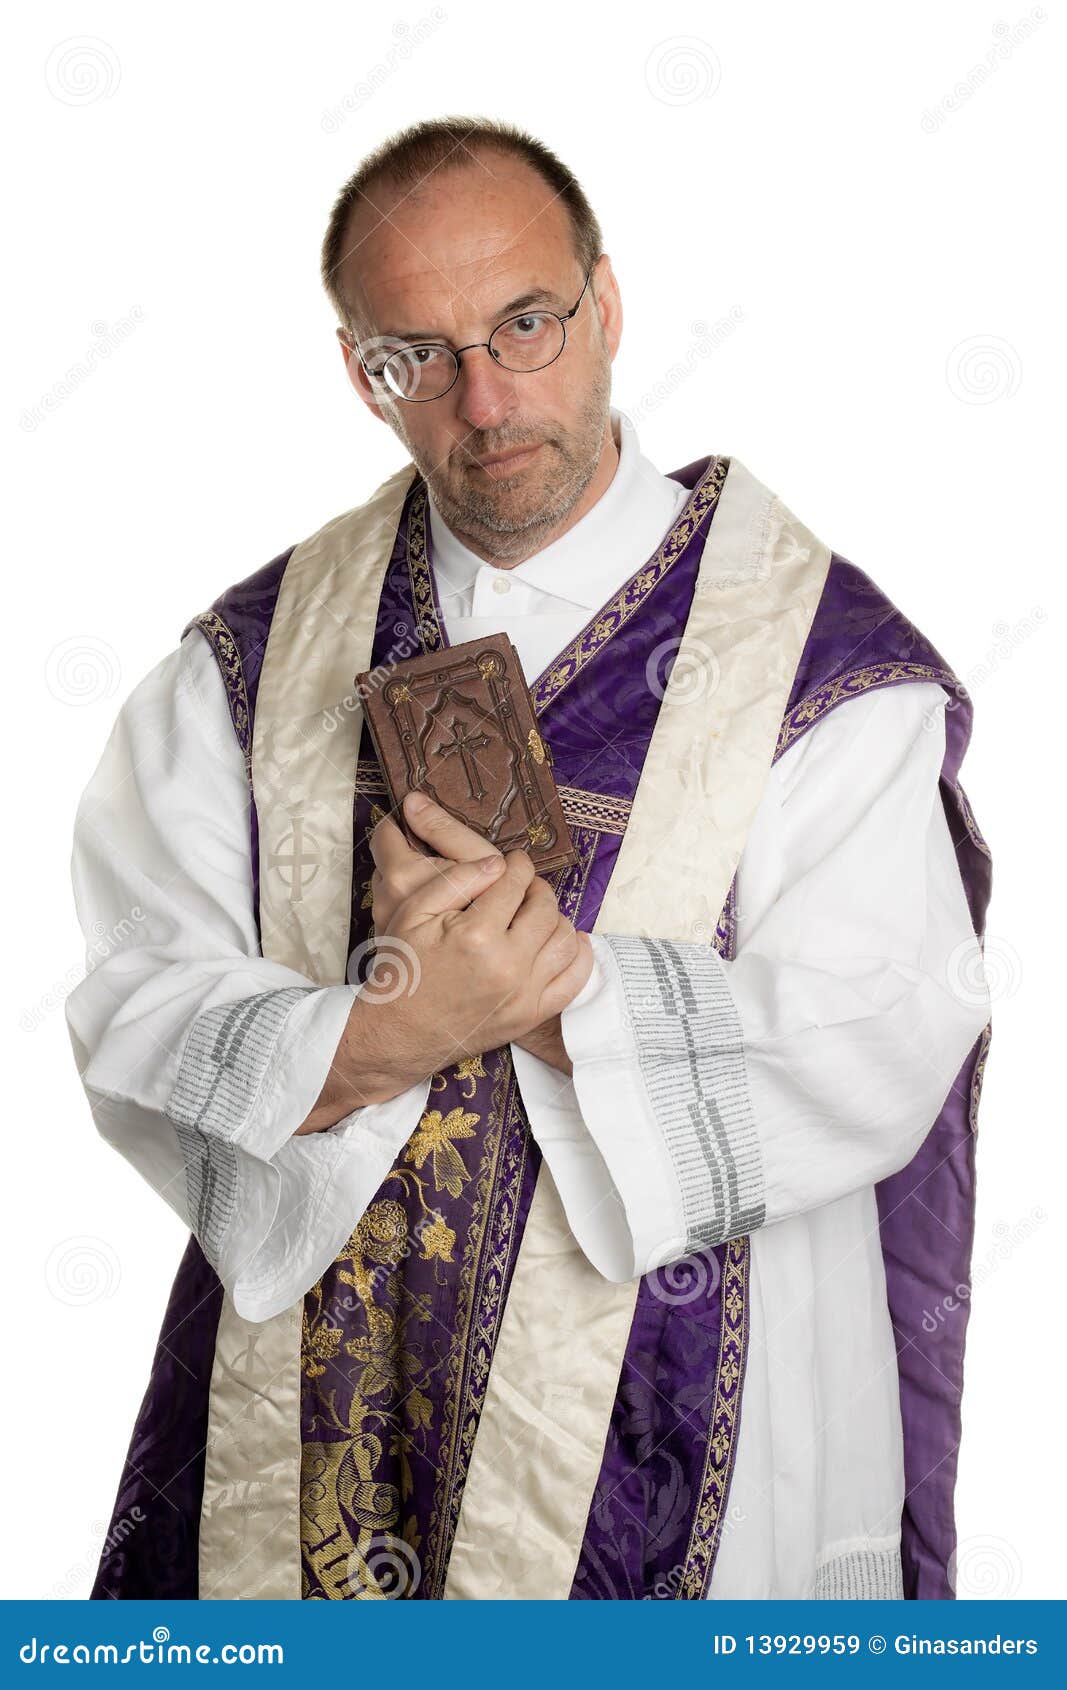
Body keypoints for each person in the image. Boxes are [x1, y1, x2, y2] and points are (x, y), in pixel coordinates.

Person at [66, 115, 993, 1602]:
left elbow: (889, 1023)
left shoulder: (812, 656)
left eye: (525, 323)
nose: (483, 397)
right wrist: (382, 1032)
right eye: (413, 354)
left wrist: (560, 996)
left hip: (702, 1436)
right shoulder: (247, 665)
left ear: (605, 306)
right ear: (358, 372)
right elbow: (131, 1008)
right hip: (315, 1429)